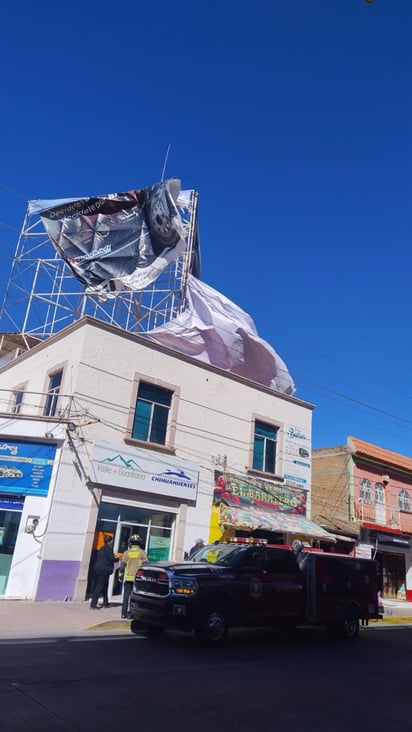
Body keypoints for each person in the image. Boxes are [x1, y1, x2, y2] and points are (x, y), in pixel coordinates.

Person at [119, 534, 148, 619]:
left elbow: (122, 567)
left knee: (126, 596)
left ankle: (123, 613)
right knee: (135, 597)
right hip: (138, 579)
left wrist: (120, 576)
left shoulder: (126, 553)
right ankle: (131, 613)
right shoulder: (142, 553)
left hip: (128, 578)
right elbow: (146, 566)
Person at [90, 535, 116, 609]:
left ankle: (105, 602)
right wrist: (118, 558)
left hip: (98, 569)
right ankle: (93, 604)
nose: (112, 542)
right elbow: (112, 559)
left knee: (105, 586)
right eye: (112, 541)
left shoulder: (101, 548)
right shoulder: (108, 549)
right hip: (103, 570)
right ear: (110, 541)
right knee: (100, 586)